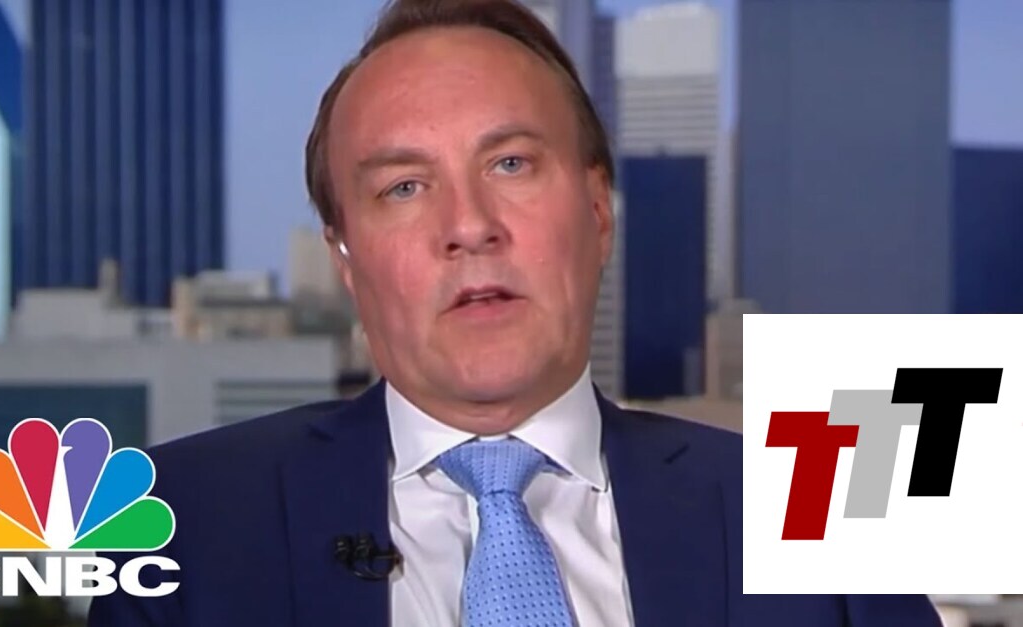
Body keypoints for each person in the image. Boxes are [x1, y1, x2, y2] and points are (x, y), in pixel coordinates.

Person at [88, 0, 942, 625]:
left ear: (598, 212)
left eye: (510, 165)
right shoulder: (180, 524)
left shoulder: (823, 509)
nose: (468, 225)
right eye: (404, 186)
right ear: (344, 256)